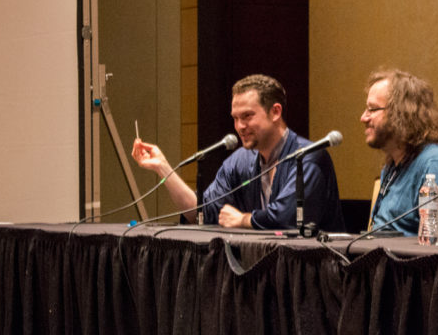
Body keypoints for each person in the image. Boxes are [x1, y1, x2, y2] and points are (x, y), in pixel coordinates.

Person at [131, 74, 344, 232]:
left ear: (275, 112)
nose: (240, 126)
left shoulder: (309, 157)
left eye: (248, 116)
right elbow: (203, 212)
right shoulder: (240, 160)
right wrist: (163, 168)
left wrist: (243, 220)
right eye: (235, 118)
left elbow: (286, 218)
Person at [362, 69, 438, 235]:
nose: (364, 118)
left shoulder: (437, 162)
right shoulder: (393, 165)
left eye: (372, 109)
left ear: (401, 113)